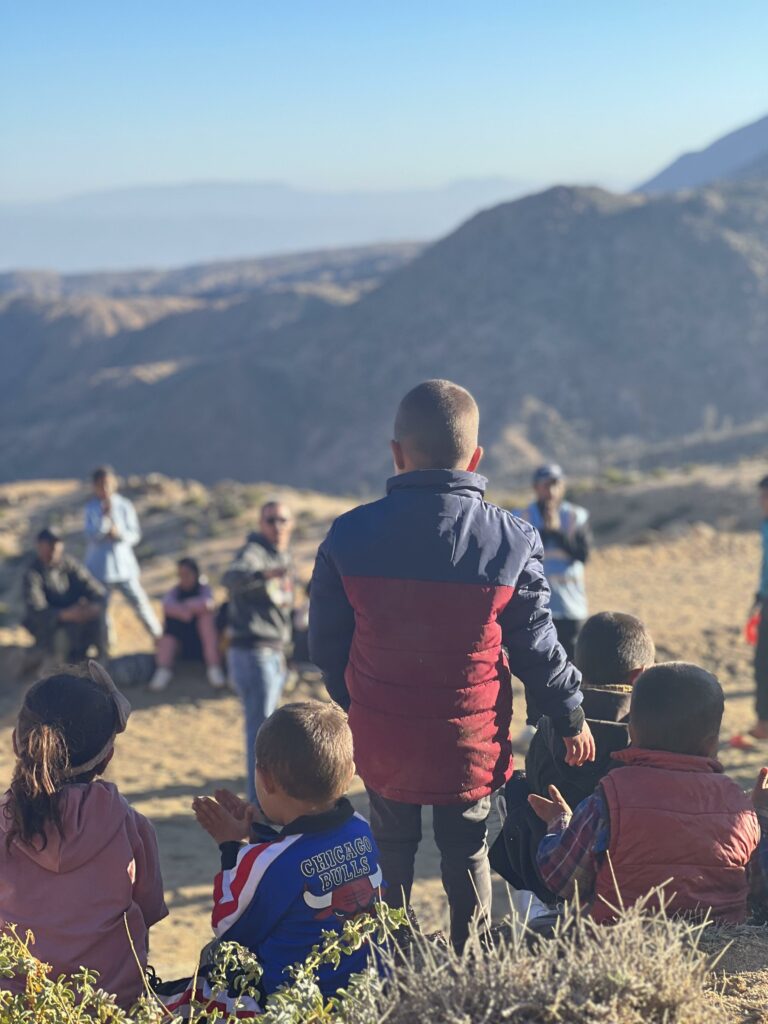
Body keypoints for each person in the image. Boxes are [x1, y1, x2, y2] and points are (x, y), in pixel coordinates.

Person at [309, 379, 594, 951]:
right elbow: (538, 646)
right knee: (468, 853)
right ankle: (467, 973)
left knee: (390, 854)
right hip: (471, 741)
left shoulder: (348, 535)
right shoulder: (510, 540)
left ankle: (388, 965)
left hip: (383, 738)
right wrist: (570, 716)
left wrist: (361, 703)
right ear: (477, 457)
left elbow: (324, 647)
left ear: (396, 453)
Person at [157, 702, 383, 1017]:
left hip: (291, 1002)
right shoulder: (362, 828)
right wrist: (257, 837)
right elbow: (302, 851)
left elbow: (228, 926)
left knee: (189, 988)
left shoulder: (268, 863)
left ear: (266, 780)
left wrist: (232, 848)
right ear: (350, 773)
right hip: (369, 989)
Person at [530, 663, 762, 923]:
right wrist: (758, 815)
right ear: (713, 741)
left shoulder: (610, 796)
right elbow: (756, 887)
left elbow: (561, 878)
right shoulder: (737, 801)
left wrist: (559, 822)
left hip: (619, 940)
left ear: (631, 730)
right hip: (720, 945)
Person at [0, 662, 167, 1008]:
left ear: (18, 743)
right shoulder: (131, 827)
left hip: (14, 1007)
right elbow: (147, 913)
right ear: (106, 757)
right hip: (110, 1007)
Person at [490, 611, 655, 900]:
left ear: (576, 668)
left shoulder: (549, 726)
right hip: (624, 879)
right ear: (639, 675)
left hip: (550, 873)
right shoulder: (648, 735)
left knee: (518, 786)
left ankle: (539, 902)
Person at [223, 501, 295, 803]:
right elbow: (233, 577)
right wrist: (266, 574)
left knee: (266, 731)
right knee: (261, 734)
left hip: (272, 653)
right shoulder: (254, 553)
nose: (276, 526)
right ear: (260, 523)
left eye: (282, 520)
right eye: (270, 520)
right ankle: (258, 805)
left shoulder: (280, 556)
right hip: (254, 653)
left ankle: (262, 801)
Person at [84, 466, 162, 649]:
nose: (105, 489)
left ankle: (160, 639)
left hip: (124, 566)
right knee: (102, 612)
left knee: (140, 603)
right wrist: (104, 523)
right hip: (99, 568)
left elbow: (135, 535)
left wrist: (119, 534)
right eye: (101, 485)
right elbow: (90, 534)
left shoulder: (125, 505)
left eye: (108, 484)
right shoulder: (91, 508)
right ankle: (106, 649)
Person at [22, 528, 107, 663]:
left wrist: (93, 606)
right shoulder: (33, 573)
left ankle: (104, 662)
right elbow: (36, 609)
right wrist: (64, 615)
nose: (53, 552)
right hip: (51, 627)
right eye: (49, 547)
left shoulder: (70, 565)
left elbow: (94, 589)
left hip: (78, 619)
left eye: (55, 548)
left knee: (100, 618)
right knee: (61, 641)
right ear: (39, 547)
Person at [149, 558, 226, 692]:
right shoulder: (175, 592)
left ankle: (214, 668)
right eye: (180, 575)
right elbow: (167, 606)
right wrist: (188, 611)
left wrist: (184, 608)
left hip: (203, 644)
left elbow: (207, 605)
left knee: (206, 620)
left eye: (187, 574)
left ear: (195, 574)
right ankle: (163, 670)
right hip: (182, 642)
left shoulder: (204, 590)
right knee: (170, 627)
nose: (184, 578)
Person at [744, 475, 768, 743]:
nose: (762, 502)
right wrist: (759, 596)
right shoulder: (765, 525)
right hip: (766, 598)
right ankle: (763, 721)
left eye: (765, 496)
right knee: (762, 662)